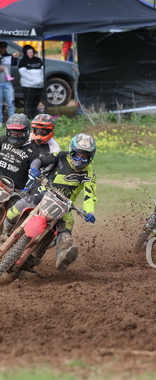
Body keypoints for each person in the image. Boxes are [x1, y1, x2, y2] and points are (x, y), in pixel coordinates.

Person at [2, 133, 97, 272]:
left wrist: (90, 212)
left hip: (65, 206)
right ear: (71, 152)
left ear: (91, 157)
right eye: (78, 155)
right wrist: (34, 169)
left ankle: (63, 255)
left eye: (85, 157)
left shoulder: (89, 173)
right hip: (45, 195)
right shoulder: (61, 156)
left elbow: (89, 196)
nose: (80, 160)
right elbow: (39, 160)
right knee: (21, 205)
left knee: (67, 226)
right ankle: (5, 233)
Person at [0, 113, 39, 193]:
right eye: (13, 133)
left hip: (14, 190)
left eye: (19, 134)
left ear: (26, 132)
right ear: (8, 132)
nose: (15, 136)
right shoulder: (3, 140)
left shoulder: (33, 151)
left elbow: (34, 176)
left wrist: (25, 191)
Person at [18, 45, 44, 120]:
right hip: (28, 85)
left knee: (36, 102)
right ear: (25, 53)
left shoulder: (37, 60)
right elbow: (23, 73)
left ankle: (35, 117)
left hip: (39, 85)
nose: (30, 54)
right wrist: (33, 79)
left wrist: (40, 79)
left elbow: (42, 70)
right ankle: (28, 117)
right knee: (29, 102)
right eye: (29, 53)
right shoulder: (23, 61)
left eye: (32, 52)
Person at [0, 41, 19, 127]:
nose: (4, 48)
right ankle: (0, 121)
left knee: (10, 103)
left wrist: (15, 57)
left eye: (5, 47)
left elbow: (14, 63)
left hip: (7, 83)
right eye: (2, 47)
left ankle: (12, 121)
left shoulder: (8, 56)